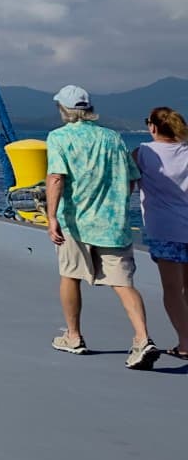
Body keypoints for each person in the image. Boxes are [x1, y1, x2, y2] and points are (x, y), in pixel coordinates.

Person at [46, 85, 159, 367]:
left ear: (64, 109)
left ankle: (73, 337)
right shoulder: (113, 137)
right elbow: (131, 177)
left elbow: (56, 178)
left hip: (75, 222)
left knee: (70, 275)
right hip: (113, 223)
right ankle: (143, 339)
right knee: (123, 283)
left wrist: (51, 217)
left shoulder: (59, 138)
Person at [134, 106, 188, 359]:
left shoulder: (143, 153)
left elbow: (126, 184)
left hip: (165, 229)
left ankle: (186, 342)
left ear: (153, 127)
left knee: (172, 289)